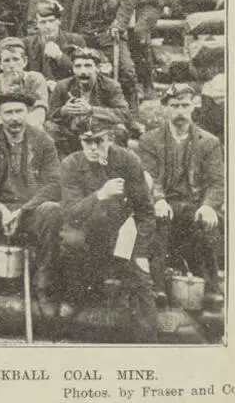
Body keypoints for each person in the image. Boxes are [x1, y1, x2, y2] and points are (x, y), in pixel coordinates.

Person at [59, 113, 157, 343]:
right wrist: (100, 195)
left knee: (141, 278)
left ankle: (150, 346)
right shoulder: (71, 164)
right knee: (72, 243)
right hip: (85, 230)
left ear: (110, 138)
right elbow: (71, 213)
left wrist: (141, 251)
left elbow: (145, 211)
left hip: (119, 232)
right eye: (87, 141)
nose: (93, 148)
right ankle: (73, 307)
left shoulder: (128, 160)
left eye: (99, 141)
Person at [0, 91, 63, 317]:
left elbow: (54, 184)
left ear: (27, 113)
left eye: (19, 111)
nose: (14, 118)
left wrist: (22, 210)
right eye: (8, 113)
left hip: (30, 211)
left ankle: (42, 287)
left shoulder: (43, 141)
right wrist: (1, 208)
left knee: (53, 210)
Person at [137, 84, 224, 300]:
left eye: (185, 105)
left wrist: (208, 205)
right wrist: (157, 199)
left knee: (209, 223)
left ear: (193, 107)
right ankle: (157, 289)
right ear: (165, 107)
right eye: (174, 105)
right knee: (157, 221)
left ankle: (211, 287)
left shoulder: (209, 142)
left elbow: (217, 182)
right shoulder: (150, 140)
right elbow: (149, 175)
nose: (180, 111)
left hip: (195, 204)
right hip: (164, 203)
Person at [47, 47, 132, 157]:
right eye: (78, 66)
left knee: (119, 130)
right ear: (73, 69)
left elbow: (124, 114)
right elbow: (50, 115)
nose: (83, 71)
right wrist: (63, 111)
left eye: (88, 66)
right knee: (50, 129)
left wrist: (91, 110)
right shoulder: (63, 86)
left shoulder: (110, 86)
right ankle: (63, 167)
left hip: (100, 131)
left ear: (97, 68)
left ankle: (112, 166)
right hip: (72, 133)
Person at [0, 37, 48, 131]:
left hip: (28, 127)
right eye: (7, 60)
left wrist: (17, 126)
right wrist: (8, 127)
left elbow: (39, 114)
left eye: (16, 59)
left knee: (39, 129)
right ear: (0, 64)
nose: (11, 65)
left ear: (25, 61)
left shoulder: (35, 79)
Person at [24, 0, 86, 90]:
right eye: (43, 22)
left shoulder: (75, 40)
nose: (48, 26)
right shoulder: (27, 44)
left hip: (67, 92)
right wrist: (42, 83)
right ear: (37, 24)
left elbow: (84, 72)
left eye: (51, 21)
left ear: (59, 21)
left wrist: (60, 57)